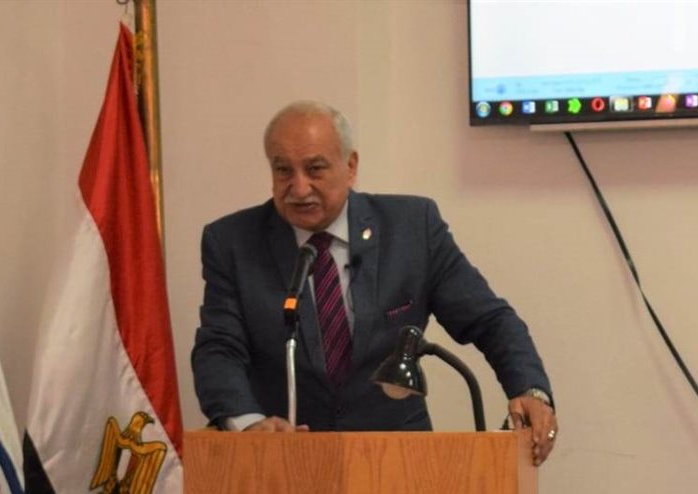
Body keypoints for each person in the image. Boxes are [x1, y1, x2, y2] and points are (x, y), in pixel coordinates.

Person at [190, 100, 558, 465]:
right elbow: (219, 348)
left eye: (315, 169)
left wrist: (531, 390)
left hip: (397, 462)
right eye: (283, 170)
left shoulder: (412, 228)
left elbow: (489, 320)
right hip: (284, 464)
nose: (299, 188)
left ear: (350, 167)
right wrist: (249, 425)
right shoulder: (233, 242)